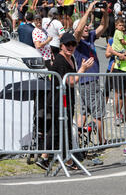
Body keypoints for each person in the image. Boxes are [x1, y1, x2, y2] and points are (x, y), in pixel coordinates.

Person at [36, 33, 94, 171]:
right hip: (58, 100)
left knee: (59, 129)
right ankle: (64, 160)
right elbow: (71, 81)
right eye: (67, 44)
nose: (70, 47)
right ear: (61, 45)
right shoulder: (60, 61)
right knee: (62, 129)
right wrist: (83, 69)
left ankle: (47, 158)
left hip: (67, 99)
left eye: (73, 44)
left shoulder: (71, 58)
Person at [73, 1, 109, 146]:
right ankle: (101, 141)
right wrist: (87, 12)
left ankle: (78, 140)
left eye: (88, 25)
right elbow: (78, 30)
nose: (87, 27)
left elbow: (103, 26)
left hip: (87, 82)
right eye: (84, 26)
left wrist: (105, 12)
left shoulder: (91, 37)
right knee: (98, 114)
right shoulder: (75, 42)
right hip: (88, 81)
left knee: (83, 113)